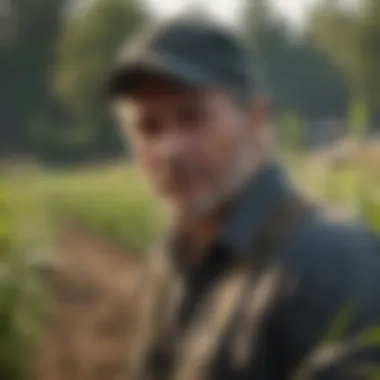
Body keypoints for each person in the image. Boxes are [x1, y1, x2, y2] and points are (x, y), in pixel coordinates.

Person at [106, 15, 380, 380]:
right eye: (148, 126)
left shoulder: (329, 259)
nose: (169, 149)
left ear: (257, 119)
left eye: (193, 117)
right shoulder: (172, 257)